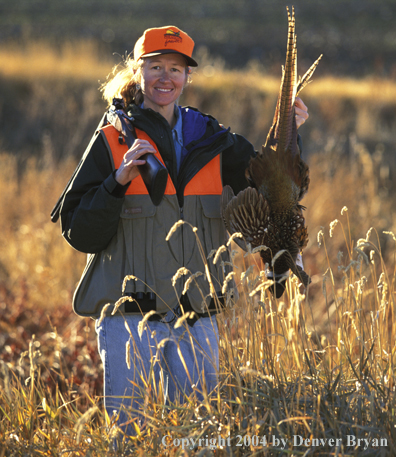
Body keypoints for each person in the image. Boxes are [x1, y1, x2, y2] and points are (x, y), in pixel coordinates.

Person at [57, 25, 309, 433]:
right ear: (138, 71)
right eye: (155, 66)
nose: (165, 78)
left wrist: (291, 130)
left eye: (175, 68)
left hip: (199, 316)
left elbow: (275, 192)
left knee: (199, 431)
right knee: (129, 434)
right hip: (128, 320)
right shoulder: (111, 139)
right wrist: (117, 181)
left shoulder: (215, 140)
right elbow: (79, 231)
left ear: (188, 77)